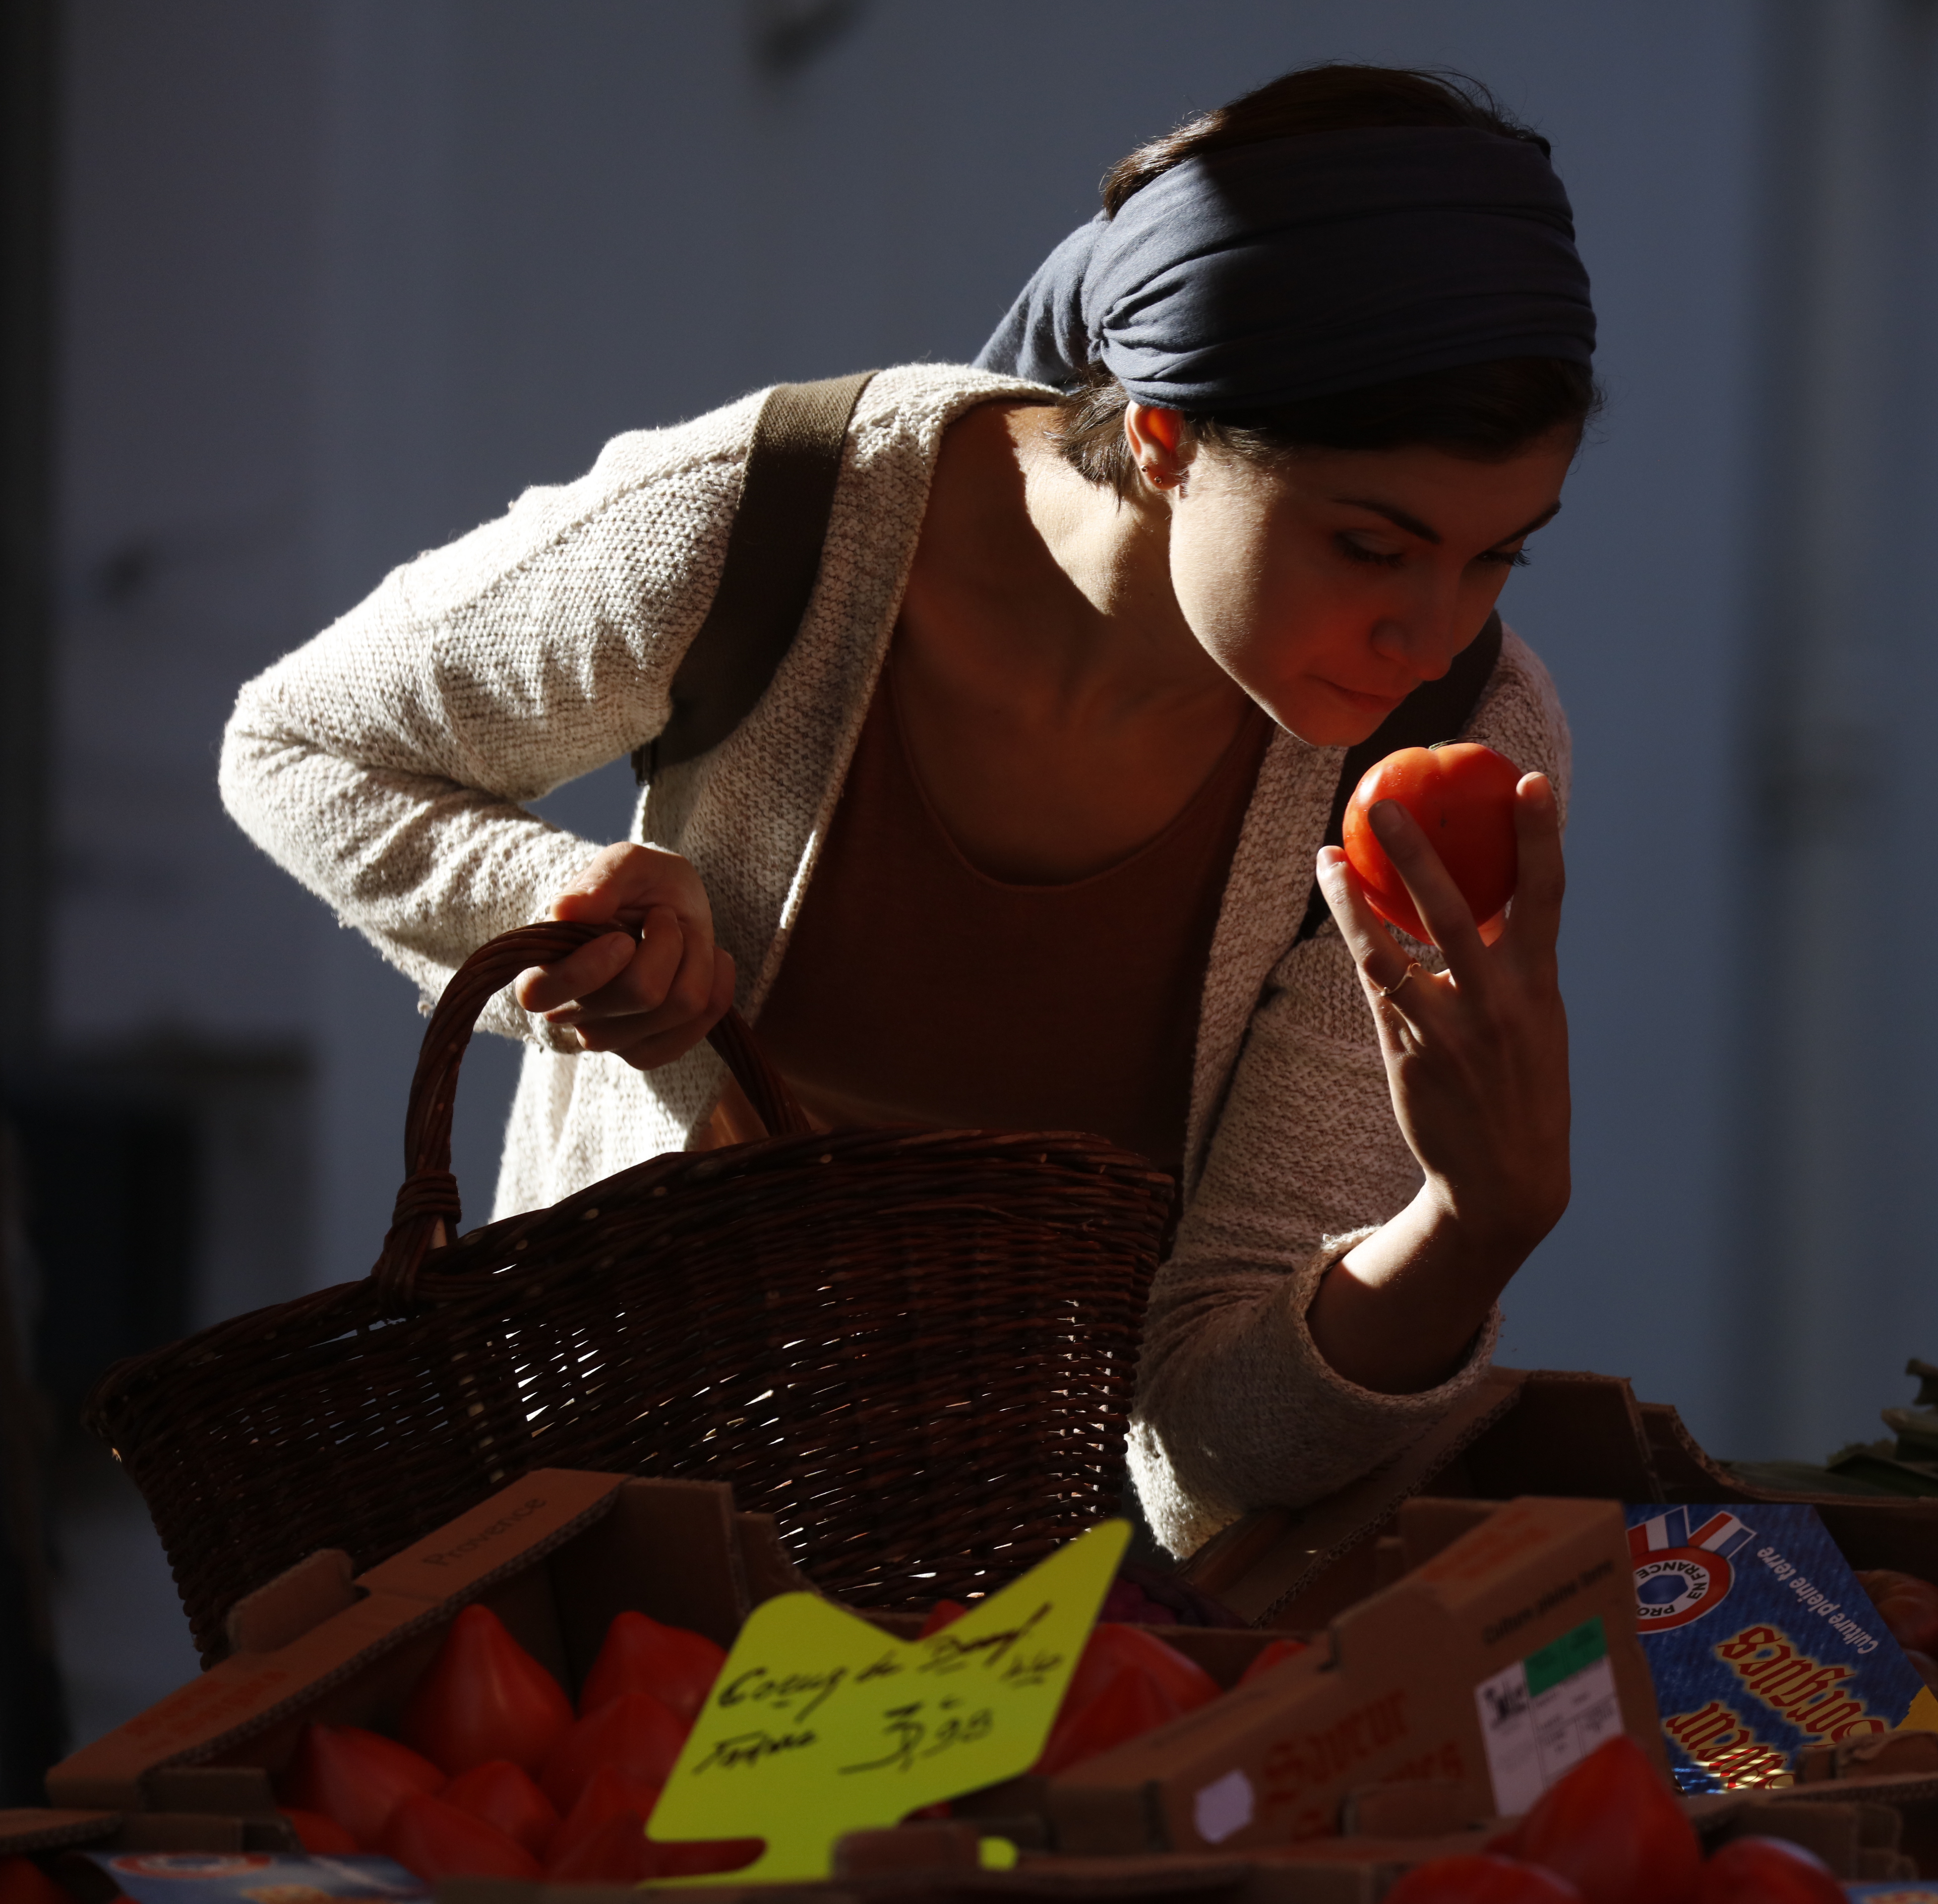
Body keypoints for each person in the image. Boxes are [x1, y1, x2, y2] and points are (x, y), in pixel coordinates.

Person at [218, 64, 1592, 1557]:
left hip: (1057, 1610)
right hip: (616, 1535)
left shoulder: (1459, 749)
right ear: (1162, 437)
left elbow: (1212, 1434)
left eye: (1497, 558)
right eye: (1373, 547)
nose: (1432, 633)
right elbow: (304, 744)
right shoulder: (779, 522)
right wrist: (551, 909)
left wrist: (1468, 1231)